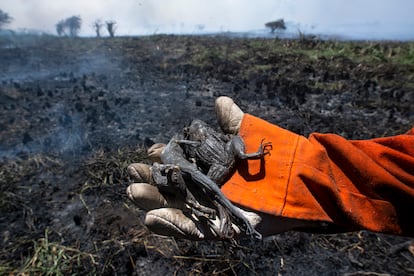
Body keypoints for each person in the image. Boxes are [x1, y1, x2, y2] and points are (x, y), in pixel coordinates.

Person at [127, 96, 414, 240]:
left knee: (205, 189)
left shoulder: (188, 144)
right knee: (205, 189)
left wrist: (290, 172)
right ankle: (215, 205)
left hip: (221, 169)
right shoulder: (197, 146)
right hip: (227, 164)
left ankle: (214, 206)